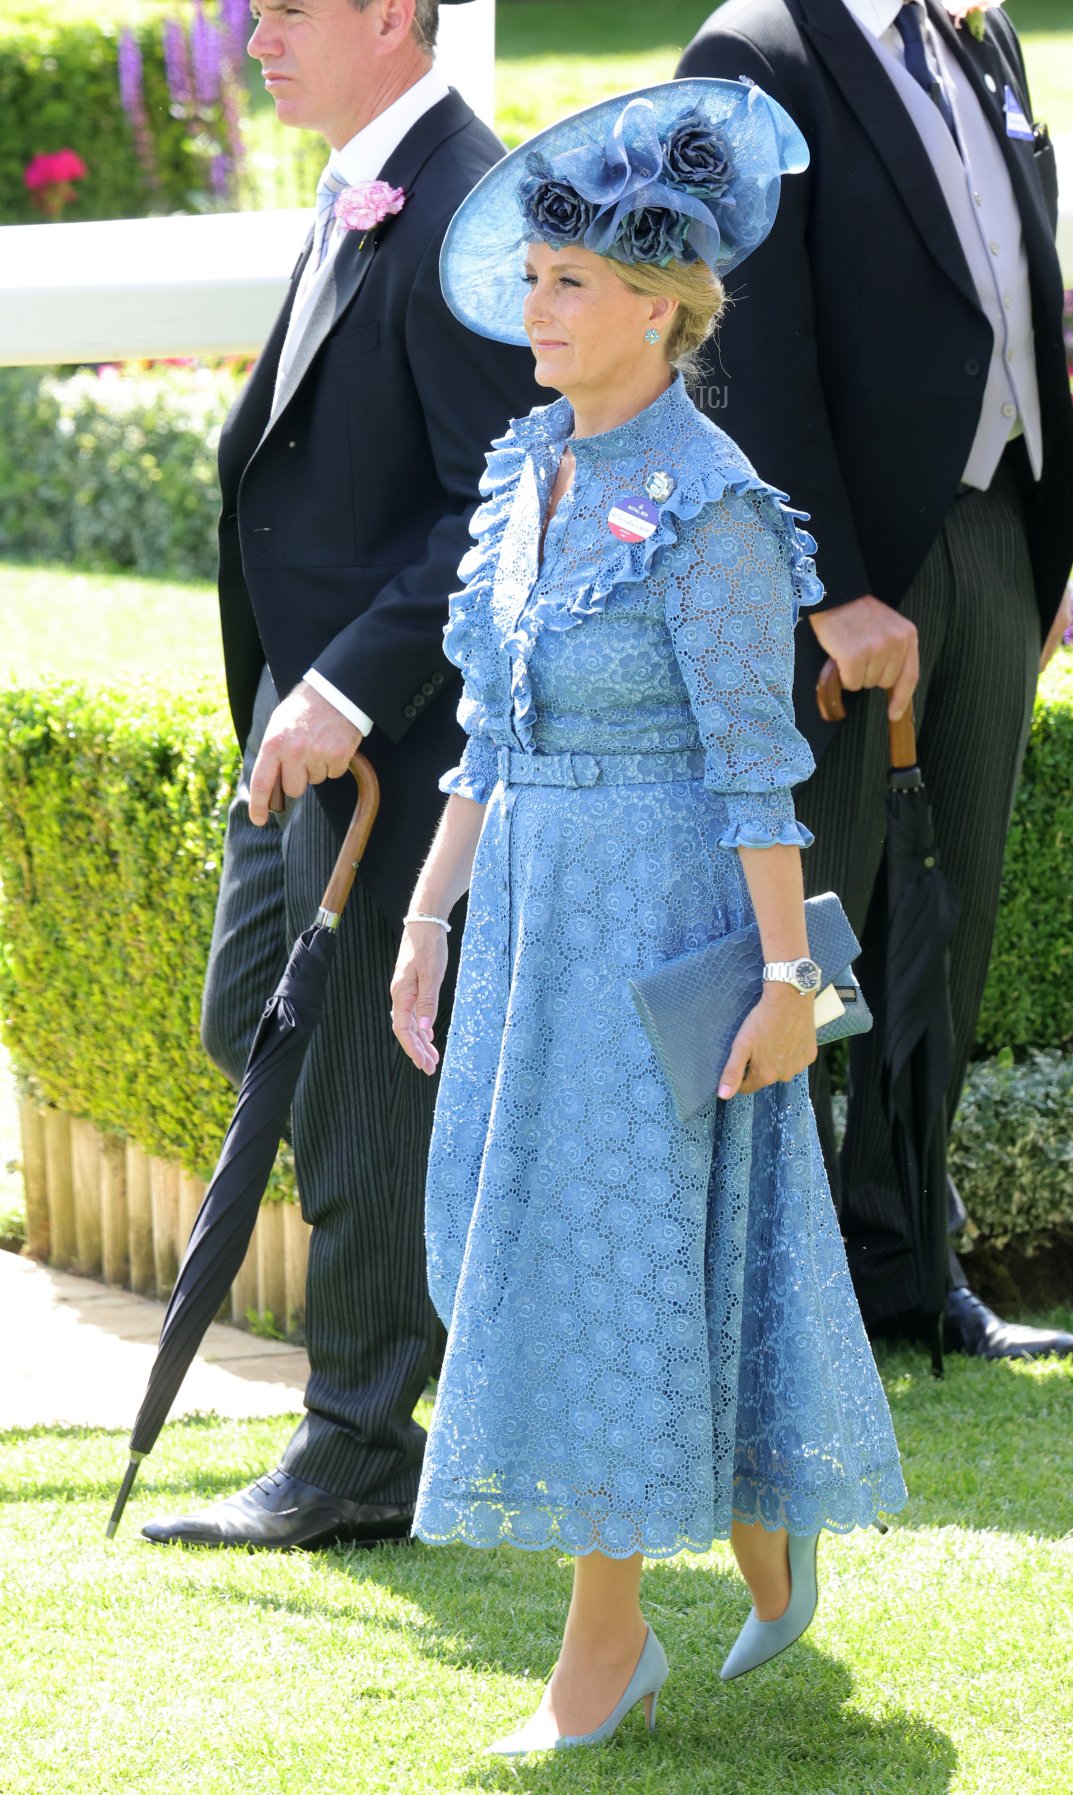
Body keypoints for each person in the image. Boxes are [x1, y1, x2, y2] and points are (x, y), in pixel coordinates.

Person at [390, 78, 906, 1755]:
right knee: (544, 1243)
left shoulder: (718, 504)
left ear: (667, 312)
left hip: (660, 920)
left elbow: (762, 775)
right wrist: (428, 909)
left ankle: (605, 1650)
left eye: (568, 285)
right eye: (532, 278)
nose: (531, 311)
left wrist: (778, 977)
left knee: (603, 1260)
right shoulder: (530, 461)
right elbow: (490, 721)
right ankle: (766, 1533)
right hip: (535, 914)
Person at [143, 0, 536, 1549]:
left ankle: (360, 1445)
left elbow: (490, 512)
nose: (253, 39)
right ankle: (441, 1349)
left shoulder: (464, 207)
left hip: (398, 745)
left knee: (363, 1093)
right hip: (295, 726)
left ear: (390, 11)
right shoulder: (366, 180)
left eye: (288, 9)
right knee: (250, 1023)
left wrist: (347, 688)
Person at [678, 0, 1073, 1359]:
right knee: (807, 936)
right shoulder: (749, 53)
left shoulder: (977, 34)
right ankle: (765, 1307)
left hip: (992, 536)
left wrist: (1035, 550)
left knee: (944, 923)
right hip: (841, 577)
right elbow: (737, 338)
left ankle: (914, 1275)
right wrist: (829, 585)